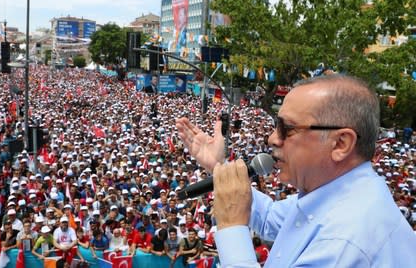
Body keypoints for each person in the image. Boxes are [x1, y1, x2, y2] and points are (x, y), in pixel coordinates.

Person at [176, 74, 416, 267]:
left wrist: (231, 228)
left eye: (286, 129)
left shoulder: (344, 243)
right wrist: (218, 168)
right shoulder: (341, 196)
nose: (272, 139)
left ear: (341, 144)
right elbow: (271, 217)